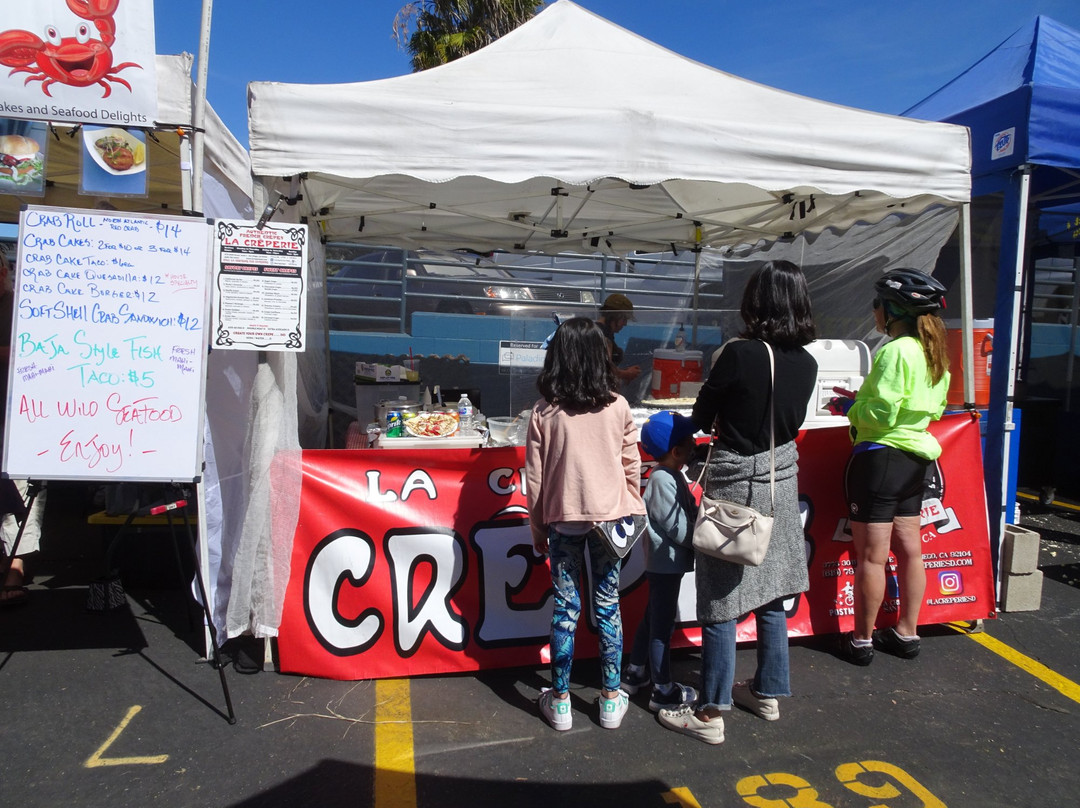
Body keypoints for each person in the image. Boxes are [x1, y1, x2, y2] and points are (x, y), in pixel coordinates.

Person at [658, 260, 817, 745]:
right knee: (772, 588)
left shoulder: (741, 354)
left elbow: (703, 418)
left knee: (723, 596)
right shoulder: (807, 363)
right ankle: (765, 692)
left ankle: (710, 711)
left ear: (756, 303)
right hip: (780, 484)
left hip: (735, 486)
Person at [525, 316, 647, 731]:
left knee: (565, 609)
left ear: (557, 357)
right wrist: (631, 508)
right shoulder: (619, 406)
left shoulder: (544, 411)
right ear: (602, 358)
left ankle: (559, 701)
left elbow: (535, 478)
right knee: (608, 605)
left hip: (562, 523)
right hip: (610, 521)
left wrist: (538, 526)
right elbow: (633, 466)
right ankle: (611, 698)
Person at [840, 268, 950, 665]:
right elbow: (931, 408)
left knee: (871, 556)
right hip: (916, 459)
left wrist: (850, 407)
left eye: (876, 305)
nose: (874, 312)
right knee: (910, 552)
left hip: (880, 458)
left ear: (893, 309)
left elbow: (883, 414)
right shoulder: (932, 351)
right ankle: (906, 633)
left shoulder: (894, 350)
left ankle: (862, 640)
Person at [621, 411, 699, 712]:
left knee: (652, 617)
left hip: (665, 564)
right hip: (666, 564)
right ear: (677, 452)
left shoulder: (669, 475)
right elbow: (676, 526)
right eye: (691, 442)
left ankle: (635, 672)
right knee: (662, 629)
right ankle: (662, 689)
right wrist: (700, 540)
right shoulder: (662, 479)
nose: (695, 445)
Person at [596, 293, 642, 384]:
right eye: (624, 319)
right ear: (616, 316)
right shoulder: (603, 336)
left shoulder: (597, 331)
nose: (625, 324)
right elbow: (605, 369)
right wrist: (626, 374)